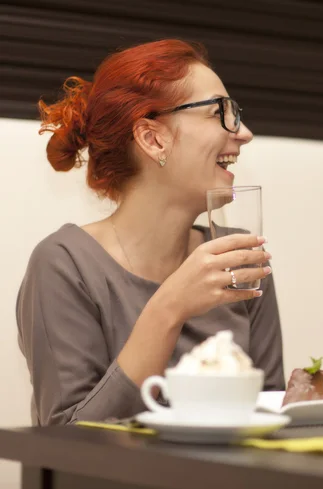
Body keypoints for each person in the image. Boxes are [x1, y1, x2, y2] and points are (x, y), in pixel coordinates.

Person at [15, 39, 285, 426]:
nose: (244, 133)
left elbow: (268, 414)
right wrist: (168, 308)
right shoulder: (64, 265)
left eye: (236, 113)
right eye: (220, 113)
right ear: (152, 138)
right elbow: (69, 445)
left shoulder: (235, 257)